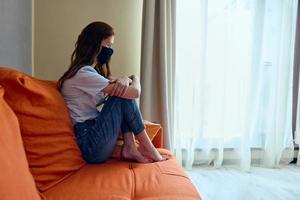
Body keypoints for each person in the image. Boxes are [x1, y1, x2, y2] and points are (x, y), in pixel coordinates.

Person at [57, 21, 167, 164]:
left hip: (94, 134)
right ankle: (147, 147)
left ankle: (131, 147)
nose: (110, 50)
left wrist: (127, 79)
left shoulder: (91, 73)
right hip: (90, 143)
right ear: (95, 45)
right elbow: (134, 93)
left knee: (120, 94)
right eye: (108, 45)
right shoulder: (83, 74)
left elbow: (124, 86)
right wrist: (135, 78)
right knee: (120, 96)